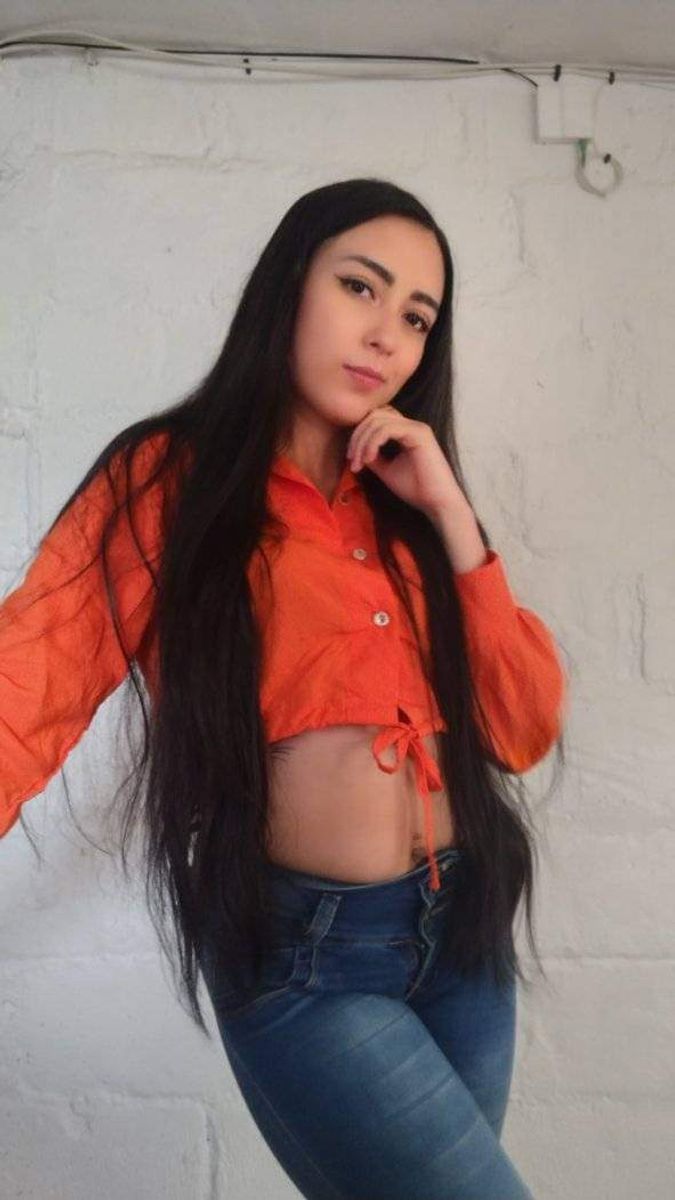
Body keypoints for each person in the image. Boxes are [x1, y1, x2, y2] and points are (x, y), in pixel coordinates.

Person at [1, 178, 567, 1199]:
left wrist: (450, 514)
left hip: (463, 938)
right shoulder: (166, 480)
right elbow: (27, 679)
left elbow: (521, 728)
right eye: (360, 287)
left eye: (417, 318)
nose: (387, 335)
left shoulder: (409, 501)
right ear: (288, 286)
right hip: (308, 962)